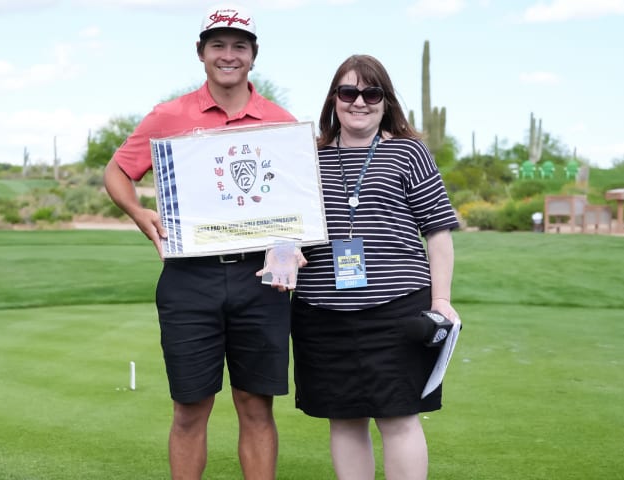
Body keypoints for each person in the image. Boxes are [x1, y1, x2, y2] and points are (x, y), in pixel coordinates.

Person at [102, 5, 296, 479]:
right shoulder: (169, 116)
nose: (228, 55)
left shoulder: (280, 120)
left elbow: (296, 202)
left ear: (253, 56)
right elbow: (117, 172)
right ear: (201, 53)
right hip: (190, 278)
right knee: (190, 408)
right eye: (218, 46)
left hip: (261, 278)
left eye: (239, 46)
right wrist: (139, 212)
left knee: (256, 406)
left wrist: (291, 243)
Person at [290, 54, 460, 480]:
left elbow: (438, 232)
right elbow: (289, 230)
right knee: (344, 418)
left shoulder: (409, 152)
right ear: (334, 100)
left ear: (386, 101)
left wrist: (441, 300)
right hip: (320, 310)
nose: (359, 102)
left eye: (371, 92)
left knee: (398, 418)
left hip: (396, 308)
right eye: (349, 92)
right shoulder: (309, 158)